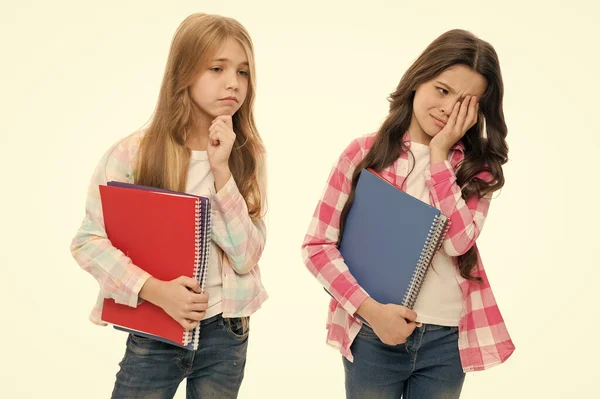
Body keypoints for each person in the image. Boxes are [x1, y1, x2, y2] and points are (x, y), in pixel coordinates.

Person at [300, 29, 515, 398]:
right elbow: (317, 247)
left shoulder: (477, 169)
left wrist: (439, 157)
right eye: (442, 90)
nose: (448, 108)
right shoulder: (364, 154)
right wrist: (370, 311)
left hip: (447, 341)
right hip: (374, 332)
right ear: (418, 80)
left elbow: (458, 242)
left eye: (464, 102)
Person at [70, 13, 268, 399]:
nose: (233, 83)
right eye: (217, 68)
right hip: (155, 330)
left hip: (226, 334)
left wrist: (220, 170)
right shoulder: (134, 154)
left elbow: (246, 257)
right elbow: (88, 242)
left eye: (243, 72)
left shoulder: (247, 156)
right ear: (185, 73)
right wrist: (154, 289)